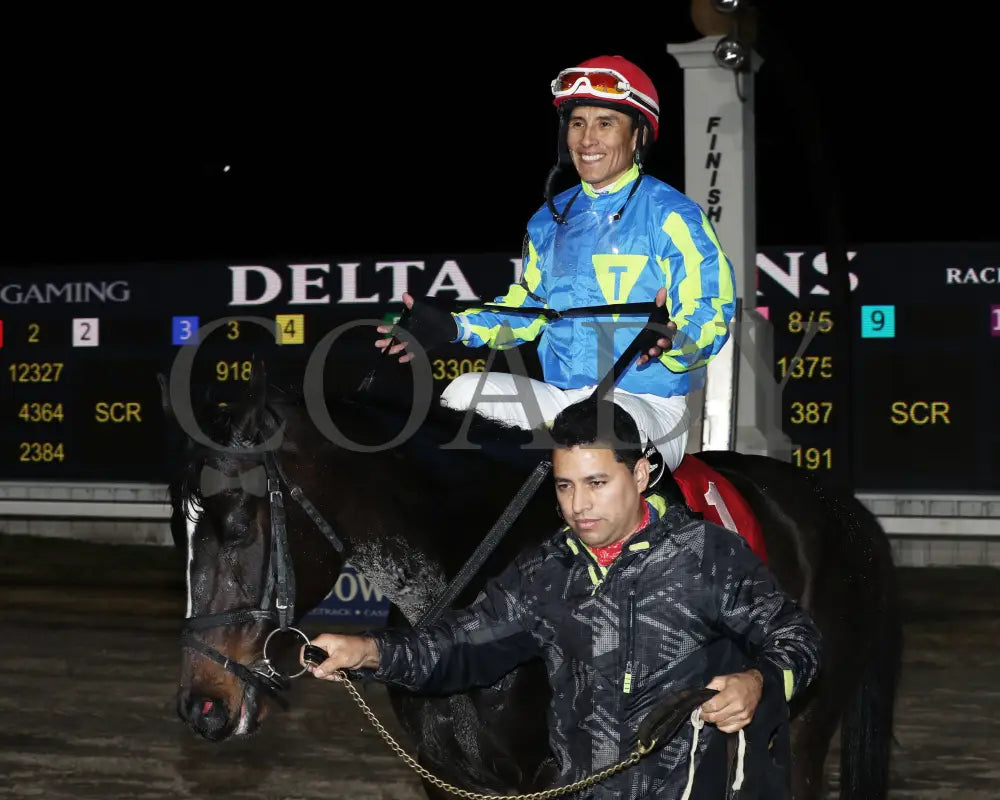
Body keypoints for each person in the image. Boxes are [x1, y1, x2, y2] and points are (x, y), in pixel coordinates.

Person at [301, 398, 821, 799]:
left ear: (639, 475)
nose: (579, 505)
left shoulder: (706, 556)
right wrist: (368, 652)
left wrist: (760, 682)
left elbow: (797, 640)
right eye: (565, 486)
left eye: (597, 483)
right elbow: (461, 644)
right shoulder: (547, 570)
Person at [375, 54, 736, 476]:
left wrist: (674, 342)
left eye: (605, 123)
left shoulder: (673, 215)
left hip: (648, 405)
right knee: (463, 394)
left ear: (638, 135)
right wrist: (456, 326)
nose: (587, 138)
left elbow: (712, 313)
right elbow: (527, 311)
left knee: (597, 426)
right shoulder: (547, 219)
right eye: (577, 123)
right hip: (562, 398)